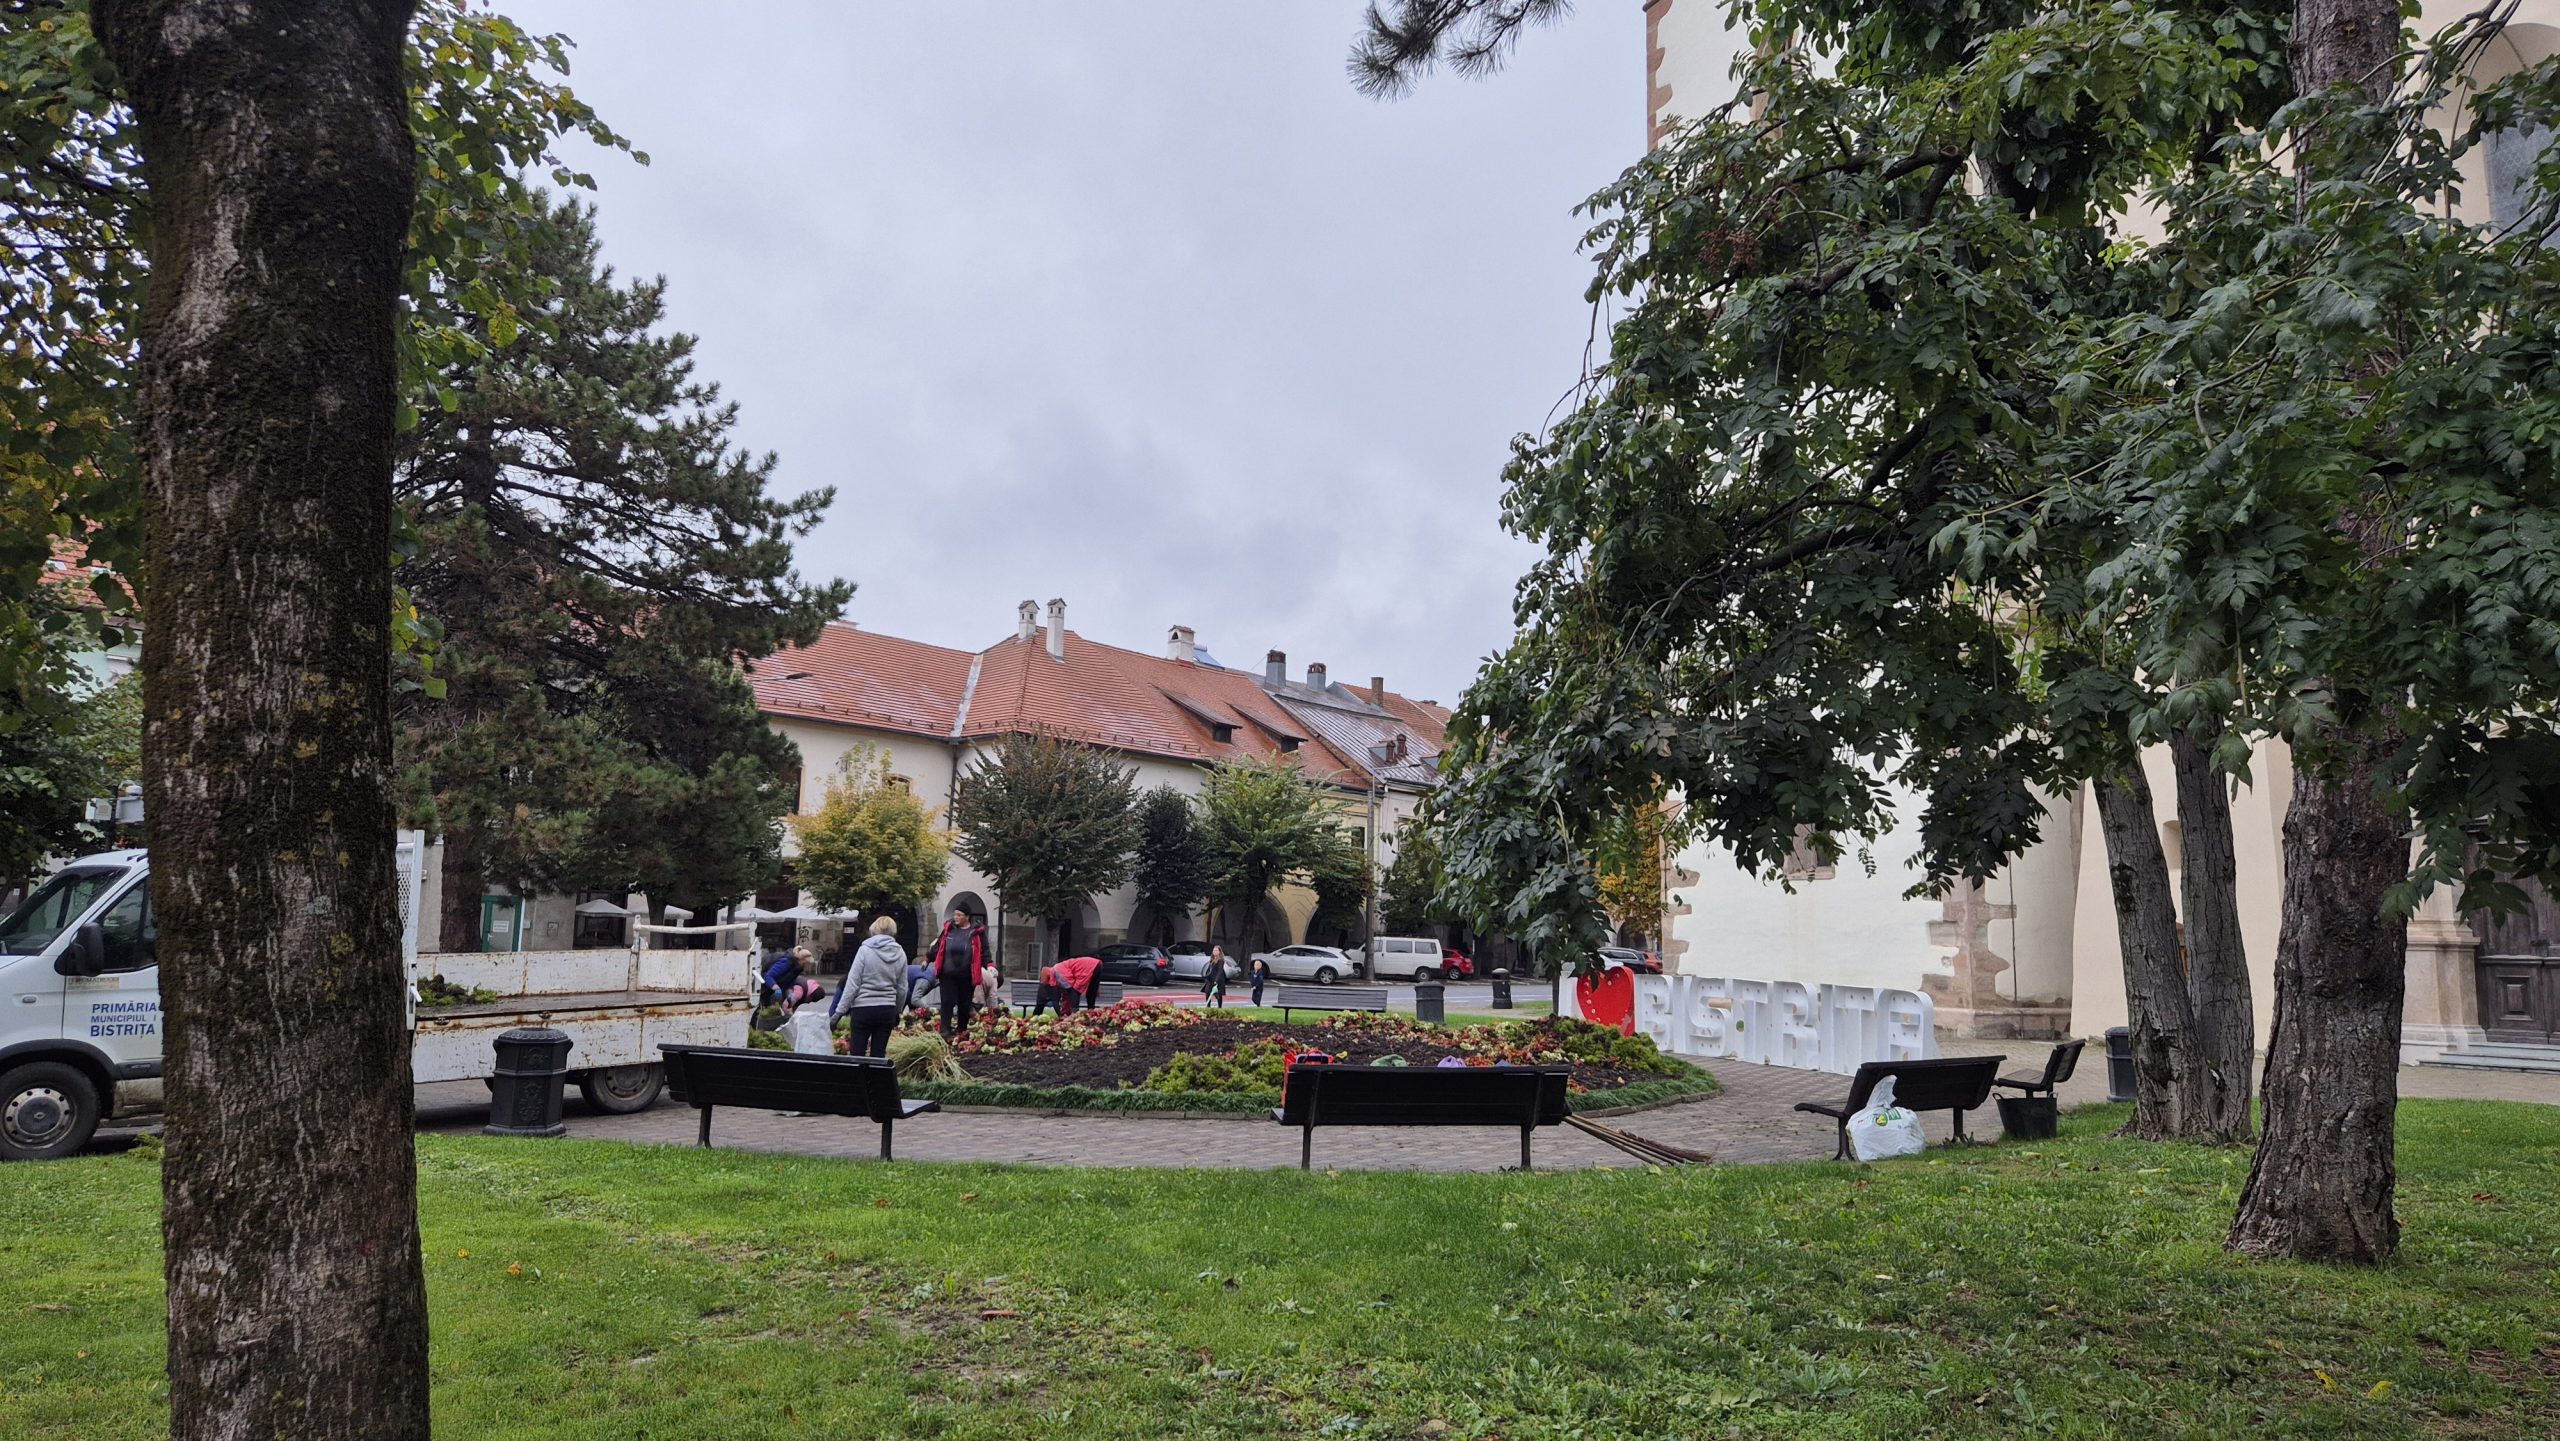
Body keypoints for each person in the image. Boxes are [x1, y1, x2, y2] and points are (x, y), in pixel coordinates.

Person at [829, 917, 907, 1059]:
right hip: (887, 1009)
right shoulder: (900, 953)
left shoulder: (864, 950)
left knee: (857, 1056)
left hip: (863, 1009)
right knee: (878, 1056)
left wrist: (838, 1013)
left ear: (874, 929)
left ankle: (858, 1074)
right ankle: (876, 1074)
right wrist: (897, 1010)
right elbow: (902, 988)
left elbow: (852, 985)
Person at [923, 902, 990, 1037]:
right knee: (947, 1002)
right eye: (955, 914)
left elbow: (984, 951)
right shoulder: (949, 929)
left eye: (959, 915)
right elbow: (939, 946)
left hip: (967, 975)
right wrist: (928, 959)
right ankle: (945, 1029)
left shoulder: (976, 932)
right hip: (947, 974)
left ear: (967, 917)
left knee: (964, 1004)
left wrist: (990, 965)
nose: (955, 917)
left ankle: (961, 1030)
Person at [1201, 945, 1230, 1010]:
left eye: (1216, 950)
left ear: (1219, 952)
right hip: (1210, 979)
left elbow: (1220, 971)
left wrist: (1216, 980)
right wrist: (1206, 976)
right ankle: (1208, 1007)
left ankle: (1220, 1007)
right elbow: (1209, 969)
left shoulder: (1221, 960)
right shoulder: (1212, 959)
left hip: (1217, 979)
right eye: (1214, 950)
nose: (1214, 951)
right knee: (1207, 991)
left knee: (1218, 994)